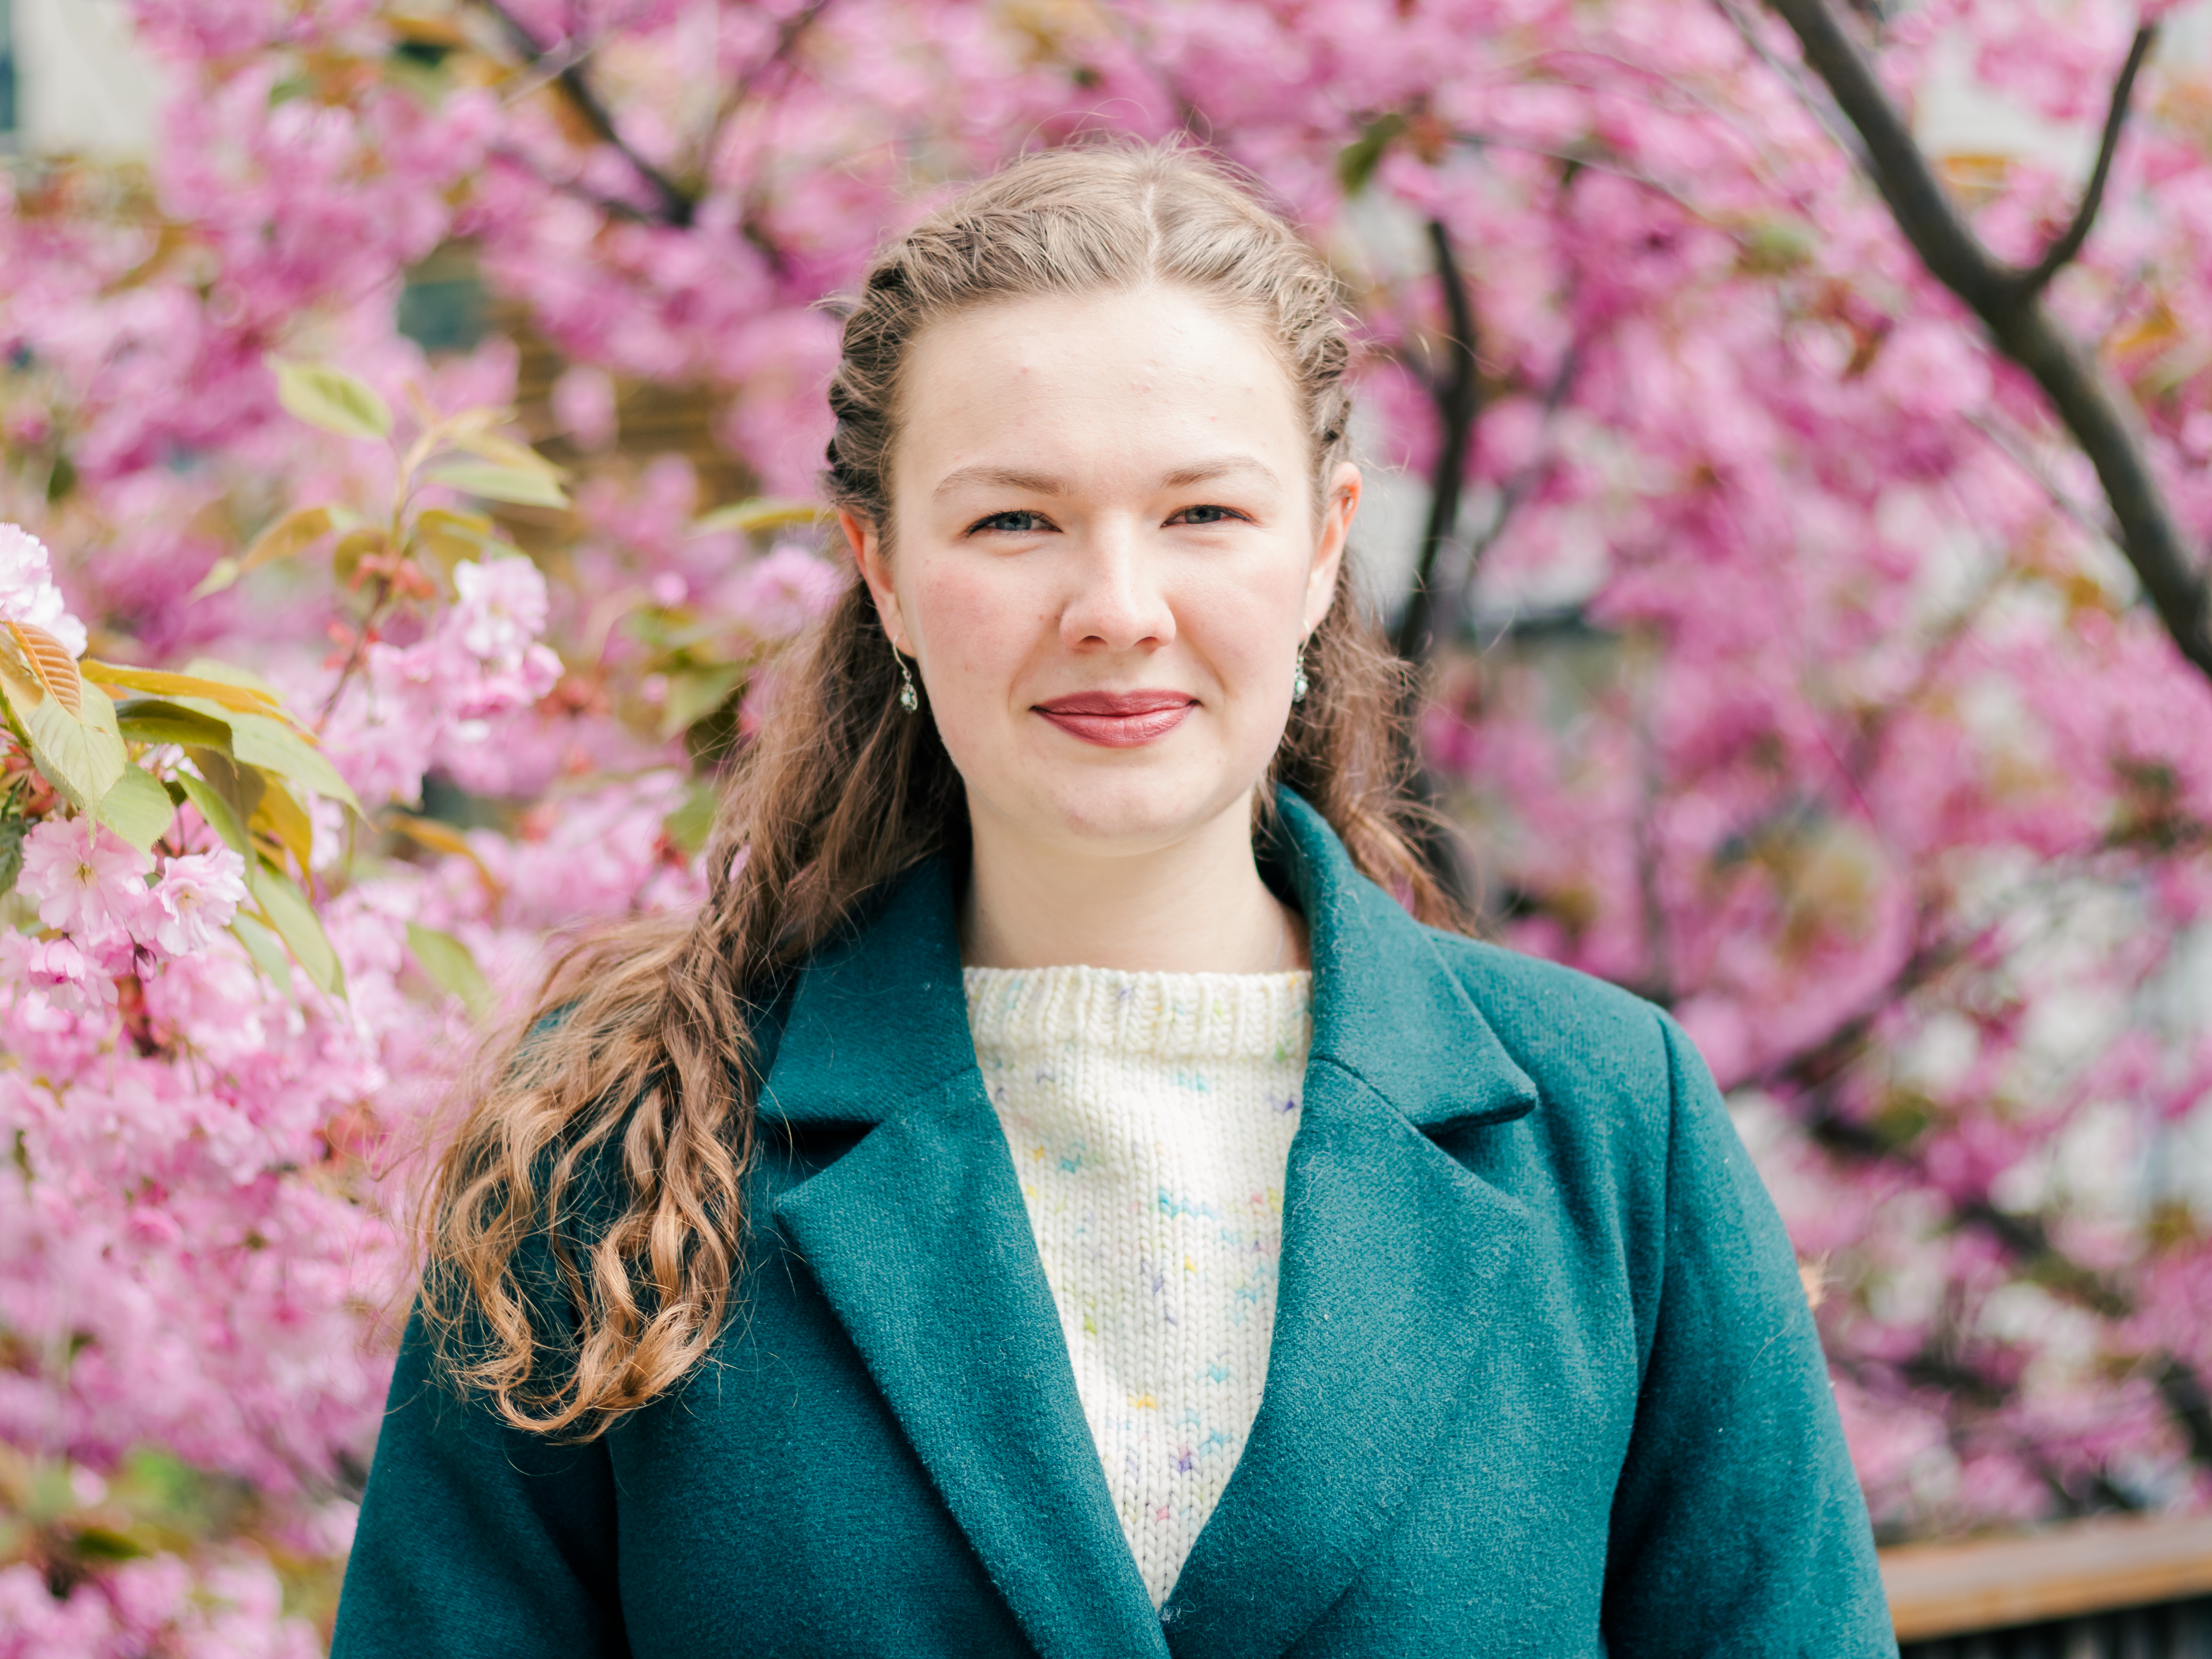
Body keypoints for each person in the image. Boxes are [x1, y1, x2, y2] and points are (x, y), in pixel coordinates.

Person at [332, 144, 1897, 1658]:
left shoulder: (1610, 1129)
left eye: (1205, 514)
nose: (1117, 610)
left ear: (1323, 546)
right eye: (1014, 521)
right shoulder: (610, 1150)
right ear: (882, 572)